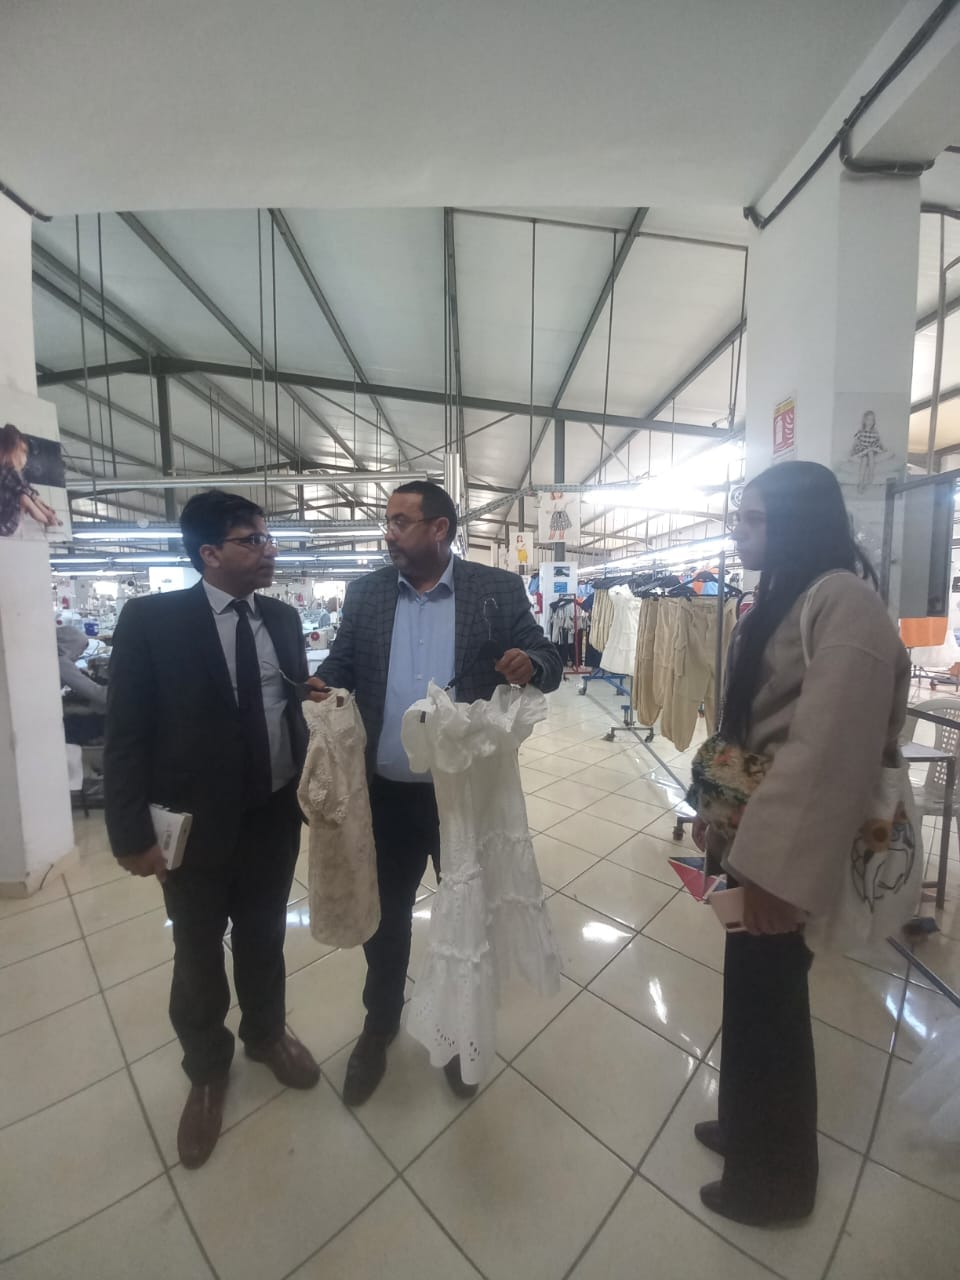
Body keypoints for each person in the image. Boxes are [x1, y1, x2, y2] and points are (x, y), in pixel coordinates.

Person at [691, 460, 909, 1225]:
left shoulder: (845, 604)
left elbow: (828, 756)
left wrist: (776, 877)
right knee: (748, 995)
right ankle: (746, 1126)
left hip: (783, 856)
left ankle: (777, 1182)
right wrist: (713, 812)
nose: (737, 533)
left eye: (752, 520)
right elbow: (753, 726)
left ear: (796, 522)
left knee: (774, 1012)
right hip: (753, 840)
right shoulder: (786, 595)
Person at [309, 480, 563, 1106]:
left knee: (468, 915)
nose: (388, 532)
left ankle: (460, 1033)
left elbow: (547, 656)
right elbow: (343, 664)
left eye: (400, 521)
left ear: (440, 528)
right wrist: (320, 683)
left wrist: (531, 664)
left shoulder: (494, 589)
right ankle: (379, 1024)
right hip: (386, 795)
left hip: (464, 798)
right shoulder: (367, 594)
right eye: (388, 521)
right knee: (385, 918)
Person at [104, 490, 324, 1170]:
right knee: (197, 951)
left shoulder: (283, 619)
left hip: (272, 815)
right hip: (194, 827)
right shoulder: (152, 621)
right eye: (251, 540)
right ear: (208, 553)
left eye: (267, 537)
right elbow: (126, 733)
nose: (268, 550)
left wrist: (310, 700)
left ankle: (265, 1033)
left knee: (264, 937)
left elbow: (284, 702)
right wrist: (129, 833)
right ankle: (206, 1068)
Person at [0, 423, 60, 537]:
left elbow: (29, 490)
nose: (25, 457)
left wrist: (44, 506)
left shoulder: (7, 470)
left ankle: (50, 519)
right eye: (23, 451)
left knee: (24, 496)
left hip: (4, 519)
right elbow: (27, 492)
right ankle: (49, 521)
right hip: (4, 523)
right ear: (14, 450)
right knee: (23, 498)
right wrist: (46, 511)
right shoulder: (8, 470)